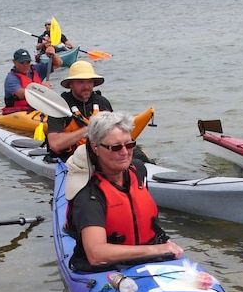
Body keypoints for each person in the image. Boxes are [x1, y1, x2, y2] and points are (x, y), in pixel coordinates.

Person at [64, 111, 183, 271]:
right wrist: (156, 250)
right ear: (95, 148)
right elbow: (96, 254)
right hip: (109, 268)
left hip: (151, 257)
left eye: (129, 145)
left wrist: (162, 247)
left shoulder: (138, 170)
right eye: (115, 147)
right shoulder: (89, 193)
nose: (125, 153)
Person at [46, 60, 113, 159]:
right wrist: (87, 130)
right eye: (80, 82)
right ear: (70, 84)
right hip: (69, 159)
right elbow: (55, 144)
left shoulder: (102, 103)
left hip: (99, 156)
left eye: (89, 82)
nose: (86, 87)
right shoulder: (59, 107)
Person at [3, 48, 59, 112]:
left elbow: (58, 64)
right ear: (14, 62)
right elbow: (21, 94)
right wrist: (42, 88)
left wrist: (53, 56)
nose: (25, 65)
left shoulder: (36, 69)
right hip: (19, 112)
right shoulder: (11, 78)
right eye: (22, 63)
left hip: (37, 108)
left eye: (28, 62)